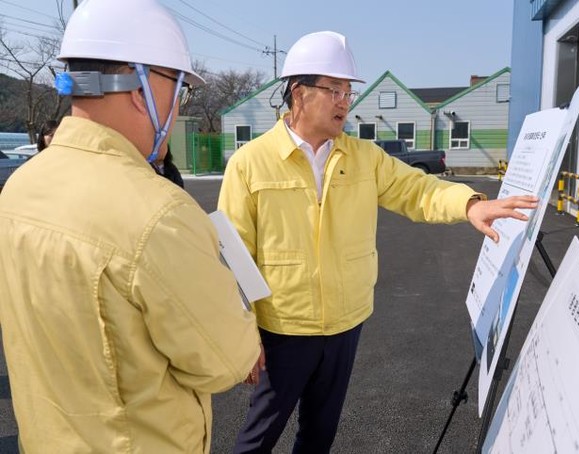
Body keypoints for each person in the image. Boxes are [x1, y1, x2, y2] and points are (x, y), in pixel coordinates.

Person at [218, 30, 538, 453]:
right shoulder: (250, 163)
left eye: (348, 92)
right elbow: (233, 254)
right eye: (334, 90)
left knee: (319, 434)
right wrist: (242, 333)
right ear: (298, 92)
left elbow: (417, 190)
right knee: (258, 438)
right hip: (282, 327)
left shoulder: (363, 158)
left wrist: (469, 204)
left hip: (345, 325)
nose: (344, 102)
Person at [0, 0, 261, 452]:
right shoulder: (160, 213)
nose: (177, 108)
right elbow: (225, 362)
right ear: (140, 89)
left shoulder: (19, 188)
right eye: (179, 90)